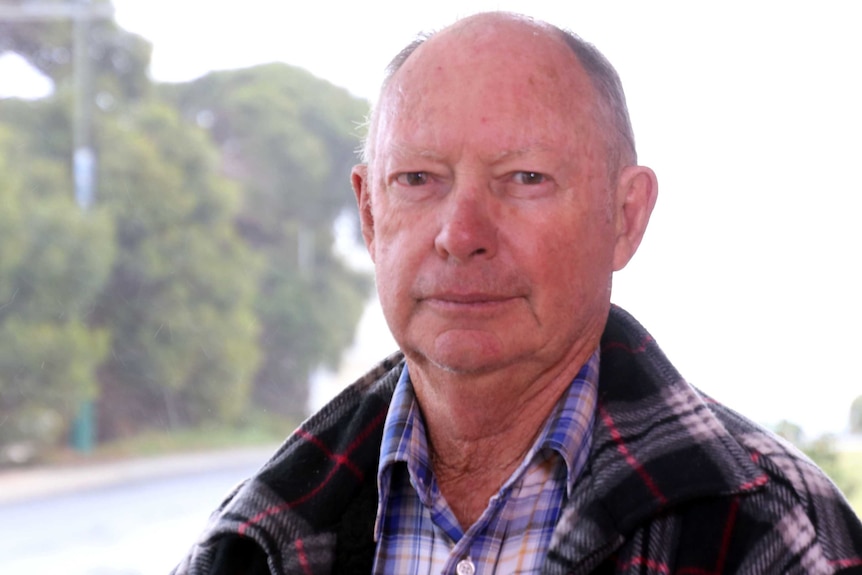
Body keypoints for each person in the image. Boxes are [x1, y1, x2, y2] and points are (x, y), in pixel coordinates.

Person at [173, 11, 862, 575]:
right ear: (370, 215)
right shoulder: (252, 539)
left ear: (626, 217)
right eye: (417, 178)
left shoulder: (773, 534)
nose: (460, 232)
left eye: (525, 177)